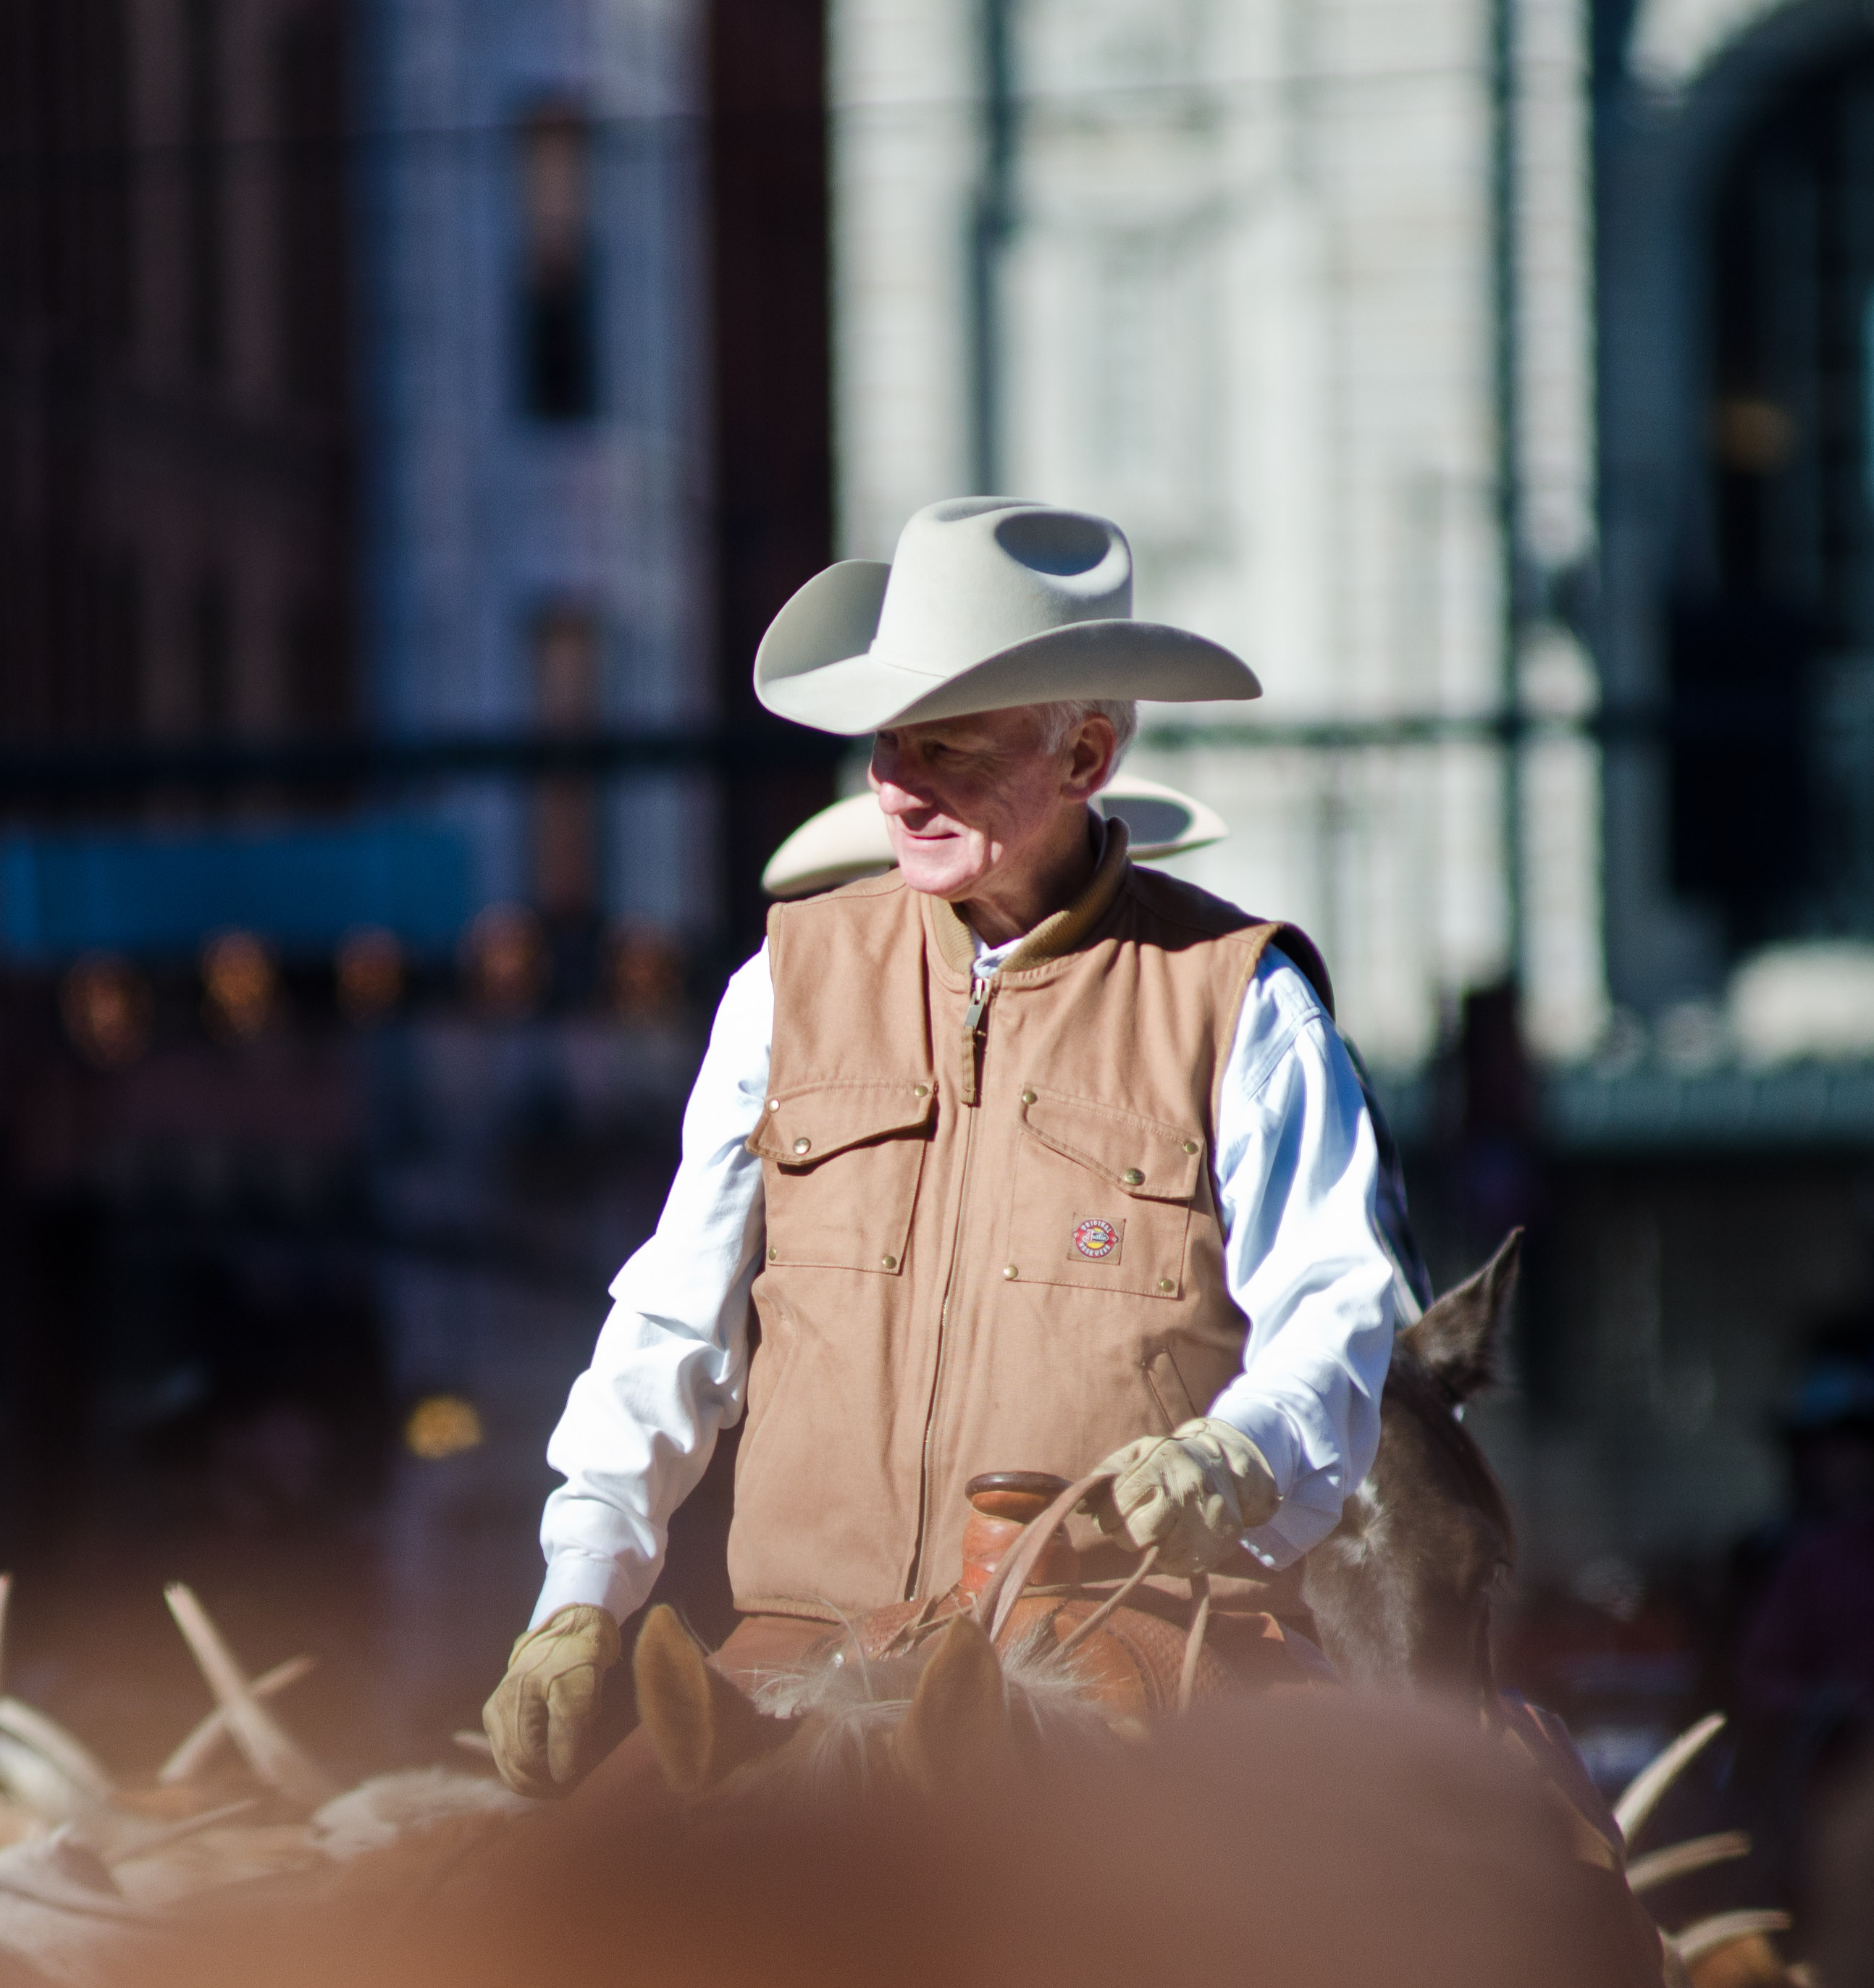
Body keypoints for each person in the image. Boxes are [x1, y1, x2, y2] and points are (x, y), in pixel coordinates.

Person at [484, 498, 1412, 1795]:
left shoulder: (1238, 997)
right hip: (805, 1652)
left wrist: (1235, 1455)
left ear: (1086, 753)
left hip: (1127, 1649)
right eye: (889, 742)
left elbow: (1338, 1311)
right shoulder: (783, 983)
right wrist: (580, 1592)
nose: (898, 785)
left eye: (952, 749)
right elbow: (670, 1324)